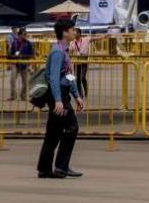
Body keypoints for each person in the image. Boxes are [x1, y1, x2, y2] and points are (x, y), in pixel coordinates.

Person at [37, 19, 84, 179]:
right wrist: (58, 100)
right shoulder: (57, 51)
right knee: (72, 126)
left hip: (62, 93)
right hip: (58, 95)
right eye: (72, 30)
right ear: (65, 32)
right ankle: (61, 167)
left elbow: (68, 75)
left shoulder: (64, 50)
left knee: (54, 132)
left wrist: (76, 95)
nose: (74, 32)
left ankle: (44, 169)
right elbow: (54, 78)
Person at [8, 27, 34, 100]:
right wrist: (9, 62)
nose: (25, 35)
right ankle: (13, 96)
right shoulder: (14, 43)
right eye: (24, 34)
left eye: (26, 34)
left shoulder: (28, 43)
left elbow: (31, 54)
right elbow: (10, 53)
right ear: (19, 35)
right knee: (12, 80)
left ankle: (23, 95)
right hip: (15, 64)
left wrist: (29, 63)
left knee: (25, 82)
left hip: (24, 64)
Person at [70, 30, 89, 98]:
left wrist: (104, 36)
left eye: (75, 33)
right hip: (76, 62)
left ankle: (86, 90)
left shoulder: (86, 39)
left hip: (84, 62)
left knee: (82, 77)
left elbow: (95, 38)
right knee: (77, 79)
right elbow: (70, 51)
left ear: (79, 33)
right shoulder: (72, 42)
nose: (74, 34)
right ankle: (80, 95)